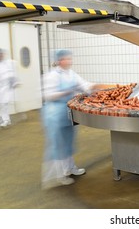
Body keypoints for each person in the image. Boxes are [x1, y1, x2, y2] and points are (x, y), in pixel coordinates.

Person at [41, 49, 99, 189]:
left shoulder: (71, 73)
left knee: (68, 141)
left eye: (70, 58)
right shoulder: (52, 76)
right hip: (55, 114)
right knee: (58, 144)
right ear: (59, 60)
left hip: (67, 114)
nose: (69, 61)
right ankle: (60, 175)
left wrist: (95, 87)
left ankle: (70, 168)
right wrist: (66, 92)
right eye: (66, 59)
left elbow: (83, 84)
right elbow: (48, 95)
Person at [0, 47, 20, 129]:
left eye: (1, 54)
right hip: (0, 88)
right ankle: (6, 120)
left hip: (8, 86)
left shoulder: (8, 63)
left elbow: (12, 73)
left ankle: (6, 119)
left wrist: (15, 82)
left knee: (6, 103)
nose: (0, 56)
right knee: (2, 104)